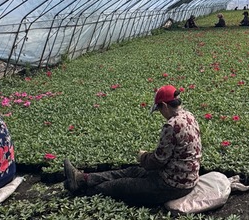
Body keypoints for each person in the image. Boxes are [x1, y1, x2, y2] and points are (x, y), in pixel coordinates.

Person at [64, 85, 202, 206]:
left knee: (119, 186)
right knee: (132, 171)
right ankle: (82, 178)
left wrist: (143, 157)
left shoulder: (172, 125)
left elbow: (157, 161)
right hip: (182, 177)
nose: (161, 114)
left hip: (171, 185)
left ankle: (81, 190)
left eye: (159, 110)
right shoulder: (189, 116)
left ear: (164, 106)